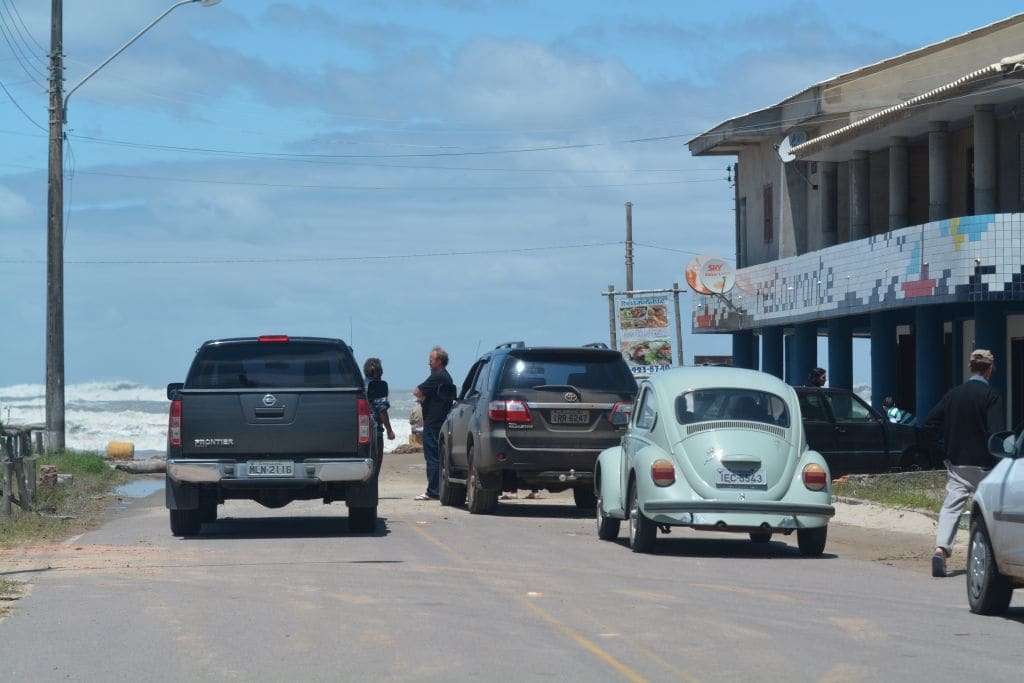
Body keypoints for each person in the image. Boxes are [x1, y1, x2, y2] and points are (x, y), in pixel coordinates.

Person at [923, 349, 1004, 578]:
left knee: (951, 506)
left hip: (957, 463)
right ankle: (991, 556)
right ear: (989, 369)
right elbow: (996, 434)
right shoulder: (991, 396)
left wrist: (943, 448)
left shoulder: (953, 394)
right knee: (989, 511)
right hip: (985, 466)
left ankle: (940, 550)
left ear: (971, 367)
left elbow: (929, 423)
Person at [413, 346, 455, 501]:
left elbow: (417, 391)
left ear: (439, 361)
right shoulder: (446, 377)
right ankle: (437, 488)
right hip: (440, 420)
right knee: (437, 456)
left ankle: (433, 491)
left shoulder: (438, 376)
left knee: (432, 456)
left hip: (433, 422)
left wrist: (423, 397)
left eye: (431, 360)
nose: (428, 363)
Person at [363, 358, 396, 446]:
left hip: (361, 430)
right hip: (375, 429)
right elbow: (382, 410)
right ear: (380, 371)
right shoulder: (379, 386)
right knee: (376, 458)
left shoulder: (360, 384)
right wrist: (389, 431)